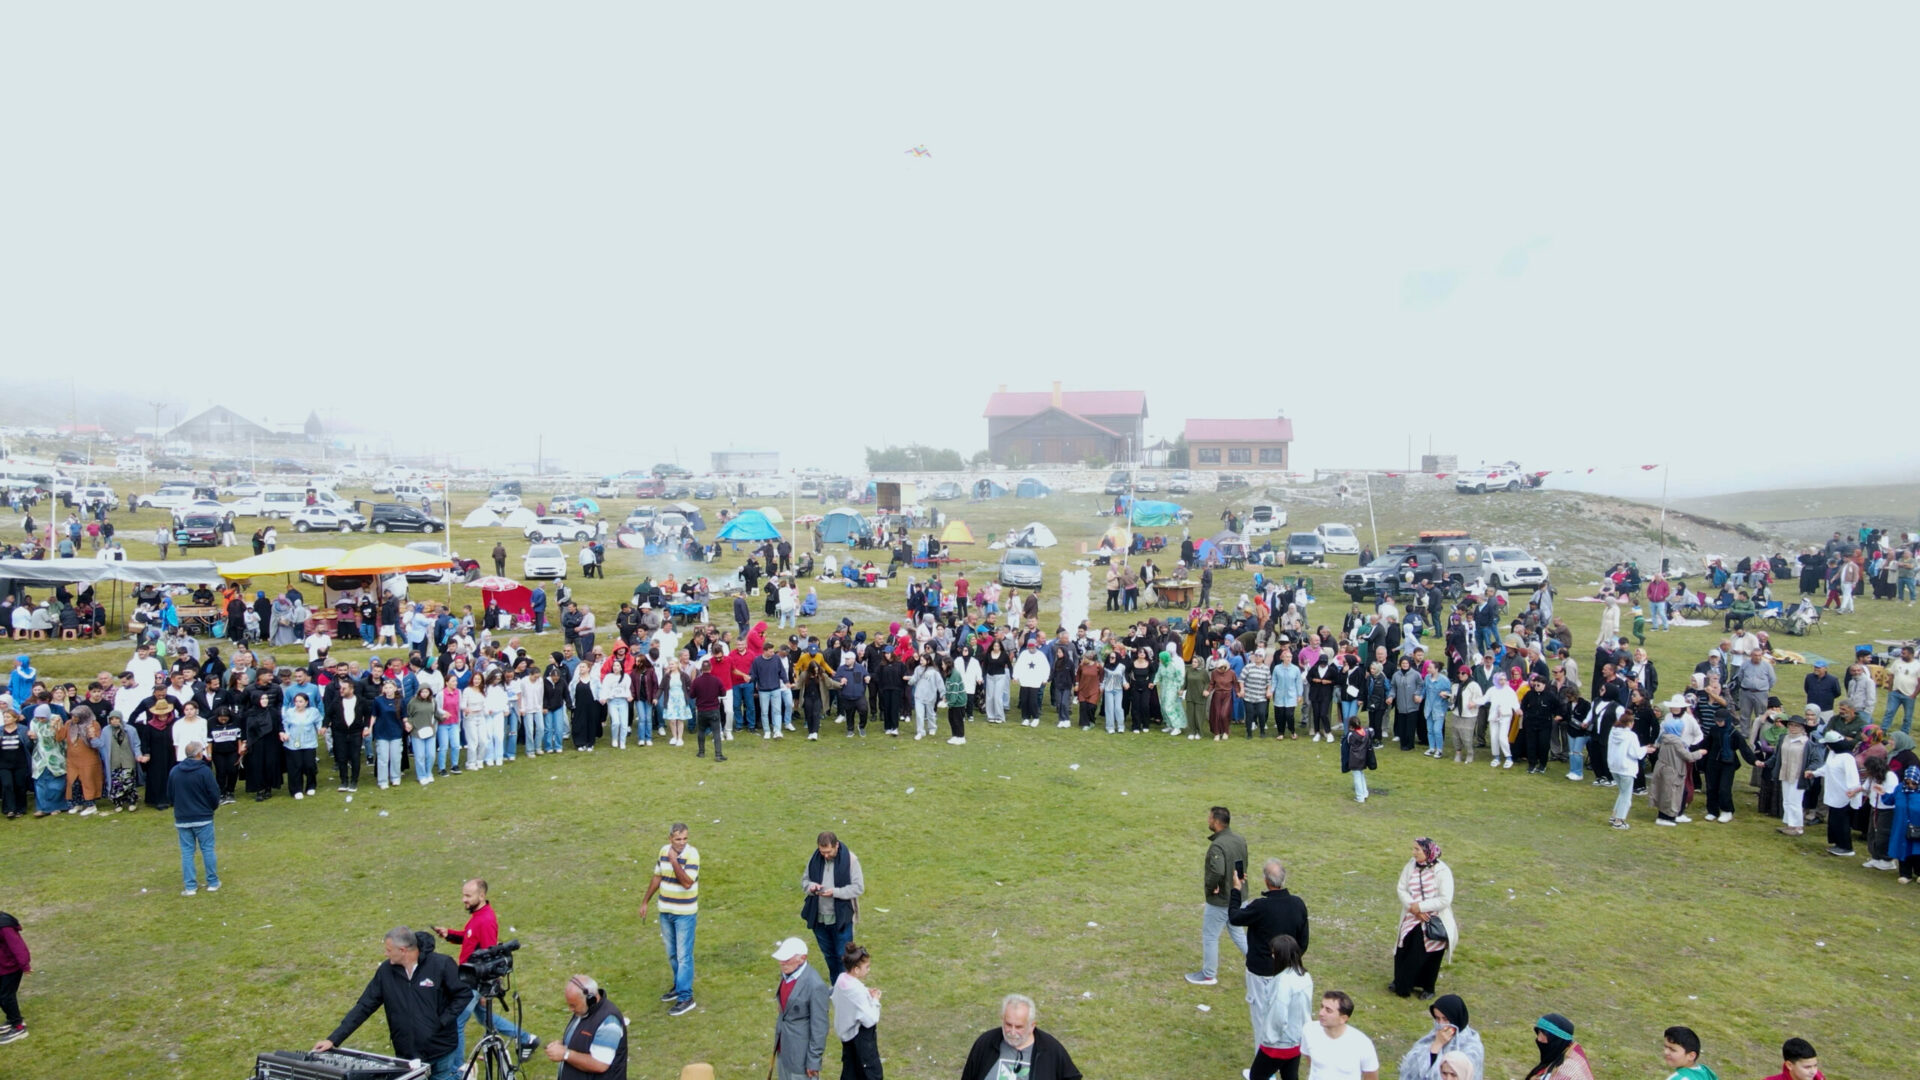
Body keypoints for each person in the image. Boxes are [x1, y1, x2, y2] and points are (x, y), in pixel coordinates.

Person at [316, 927, 474, 1080]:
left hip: (442, 1050)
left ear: (403, 950)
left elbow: (463, 994)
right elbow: (364, 1006)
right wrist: (333, 1039)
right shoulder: (385, 972)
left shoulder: (442, 964)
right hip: (407, 1056)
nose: (385, 954)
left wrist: (442, 1021)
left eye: (389, 950)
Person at [433, 878, 538, 1060]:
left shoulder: (486, 920)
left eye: (468, 895)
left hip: (474, 982)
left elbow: (490, 956)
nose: (463, 899)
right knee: (484, 1018)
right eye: (463, 895)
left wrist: (484, 991)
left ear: (481, 895)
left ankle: (458, 1069)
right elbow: (470, 938)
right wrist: (449, 934)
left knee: (457, 1021)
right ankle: (527, 1038)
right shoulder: (478, 917)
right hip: (468, 978)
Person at [641, 823, 699, 1016]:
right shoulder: (663, 851)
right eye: (678, 839)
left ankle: (686, 997)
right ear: (670, 839)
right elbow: (657, 876)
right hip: (666, 910)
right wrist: (645, 902)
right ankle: (678, 985)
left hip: (685, 914)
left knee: (684, 957)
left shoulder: (692, 855)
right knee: (672, 954)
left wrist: (674, 861)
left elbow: (687, 883)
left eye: (685, 839)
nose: (682, 843)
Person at [1187, 805, 1248, 986]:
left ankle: (1208, 974)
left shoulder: (1217, 846)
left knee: (1210, 936)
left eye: (1210, 818)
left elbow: (1217, 871)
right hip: (1239, 895)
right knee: (1237, 932)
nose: (1208, 820)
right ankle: (1262, 964)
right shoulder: (1239, 839)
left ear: (1216, 821)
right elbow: (1243, 865)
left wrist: (1211, 887)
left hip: (1222, 900)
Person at [957, 993, 1082, 1080]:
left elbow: (1072, 1077)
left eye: (1019, 1027)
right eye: (1008, 1024)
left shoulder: (1051, 1050)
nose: (1012, 1032)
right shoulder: (985, 1043)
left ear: (1032, 1026)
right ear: (1002, 1019)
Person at [1389, 838, 1455, 1000]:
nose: (1414, 852)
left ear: (1427, 852)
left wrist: (1422, 907)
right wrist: (1413, 907)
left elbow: (1445, 899)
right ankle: (1402, 983)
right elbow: (1402, 888)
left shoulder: (1442, 871)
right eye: (1414, 849)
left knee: (1428, 954)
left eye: (1417, 849)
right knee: (1404, 950)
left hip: (1432, 920)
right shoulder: (1411, 865)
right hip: (1412, 917)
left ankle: (1427, 987)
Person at [800, 831, 864, 983]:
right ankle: (836, 987)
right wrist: (812, 887)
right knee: (829, 956)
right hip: (819, 918)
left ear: (836, 845)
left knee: (844, 958)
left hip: (841, 918)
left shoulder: (851, 860)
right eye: (822, 852)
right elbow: (804, 882)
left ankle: (847, 989)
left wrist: (835, 892)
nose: (825, 856)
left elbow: (858, 888)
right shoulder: (815, 859)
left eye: (828, 852)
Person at [543, 974, 627, 1080]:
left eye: (573, 1005)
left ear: (590, 999)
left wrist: (565, 1054)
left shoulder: (609, 1022)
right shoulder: (584, 1010)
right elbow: (586, 1039)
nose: (570, 1009)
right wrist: (564, 1044)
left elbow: (600, 1064)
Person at [770, 937, 830, 1080]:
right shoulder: (787, 974)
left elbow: (819, 1027)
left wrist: (813, 1061)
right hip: (783, 1050)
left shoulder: (815, 986)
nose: (781, 962)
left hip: (801, 1058)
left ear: (802, 958)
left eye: (786, 959)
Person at [170, 740, 221, 896]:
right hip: (203, 817)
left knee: (187, 852)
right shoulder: (204, 771)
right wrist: (210, 809)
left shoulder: (175, 771)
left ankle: (190, 887)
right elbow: (214, 793)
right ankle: (212, 882)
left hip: (182, 818)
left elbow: (170, 795)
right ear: (199, 754)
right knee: (207, 849)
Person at [1397, 995, 1483, 1080]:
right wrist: (1437, 1045)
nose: (1441, 1024)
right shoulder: (1433, 1036)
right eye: (1437, 1018)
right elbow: (1413, 1069)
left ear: (1456, 1018)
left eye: (1445, 1019)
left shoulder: (1472, 1047)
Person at [830, 942, 882, 1080]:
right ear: (856, 969)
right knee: (871, 1074)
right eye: (866, 967)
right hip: (861, 1039)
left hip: (846, 1037)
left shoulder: (841, 979)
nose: (868, 970)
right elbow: (871, 1020)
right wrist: (875, 1000)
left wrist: (866, 992)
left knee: (850, 1072)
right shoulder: (856, 991)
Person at [1300, 990, 1378, 1080]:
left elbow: (1371, 1077)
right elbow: (1309, 1059)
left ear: (1343, 1018)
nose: (1321, 1013)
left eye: (1328, 1010)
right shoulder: (1309, 1030)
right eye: (1322, 1007)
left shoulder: (1362, 1044)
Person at [1521, 1013, 1594, 1080]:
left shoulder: (1568, 1071)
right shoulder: (1560, 1055)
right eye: (1538, 1033)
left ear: (1557, 1040)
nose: (1539, 1039)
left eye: (1544, 1034)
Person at [0, 910, 28, 1043]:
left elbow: (17, 946)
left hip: (10, 968)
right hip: (1, 967)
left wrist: (24, 964)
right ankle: (12, 1020)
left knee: (6, 996)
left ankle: (19, 1027)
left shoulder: (4, 925)